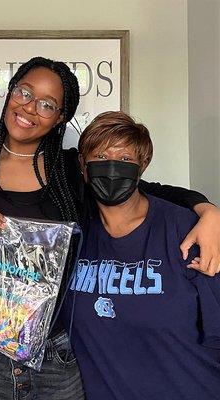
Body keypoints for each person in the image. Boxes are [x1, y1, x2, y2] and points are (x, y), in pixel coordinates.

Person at [0, 57, 220, 399]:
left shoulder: (71, 170)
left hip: (56, 352)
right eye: (24, 92)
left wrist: (207, 210)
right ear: (11, 92)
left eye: (47, 104)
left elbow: (145, 189)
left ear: (60, 118)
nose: (30, 107)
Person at [62, 111, 220, 400]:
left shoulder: (185, 230)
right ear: (83, 167)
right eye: (99, 156)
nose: (111, 168)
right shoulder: (75, 237)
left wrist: (209, 211)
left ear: (142, 167)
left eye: (125, 160)